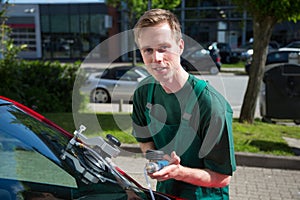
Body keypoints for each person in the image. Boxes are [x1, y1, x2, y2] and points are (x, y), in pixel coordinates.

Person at [131, 8, 236, 199]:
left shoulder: (210, 104)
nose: (157, 58)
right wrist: (155, 158)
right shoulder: (143, 93)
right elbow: (145, 141)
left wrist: (178, 172)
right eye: (148, 50)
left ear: (180, 46)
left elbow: (222, 178)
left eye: (163, 48)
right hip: (165, 193)